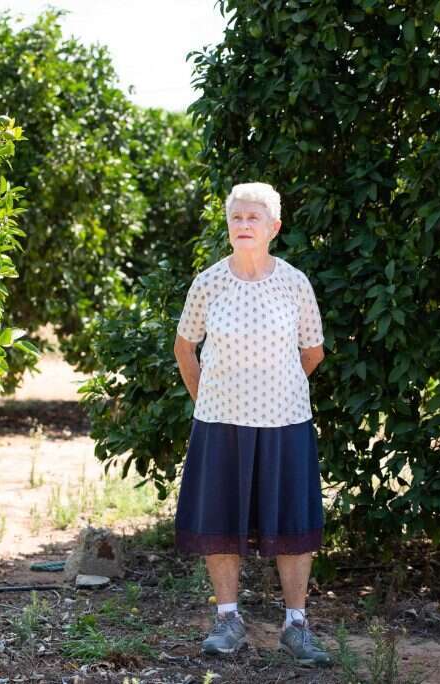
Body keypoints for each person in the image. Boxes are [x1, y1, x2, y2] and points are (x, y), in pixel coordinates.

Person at [172, 182, 330, 666]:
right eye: (237, 217)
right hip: (220, 423)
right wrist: (210, 399)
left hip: (286, 420)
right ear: (228, 225)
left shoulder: (294, 283)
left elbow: (313, 351)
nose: (244, 225)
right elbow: (185, 347)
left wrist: (274, 389)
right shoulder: (208, 283)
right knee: (220, 520)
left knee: (293, 521)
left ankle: (296, 625)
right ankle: (227, 619)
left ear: (273, 228)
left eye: (253, 218)